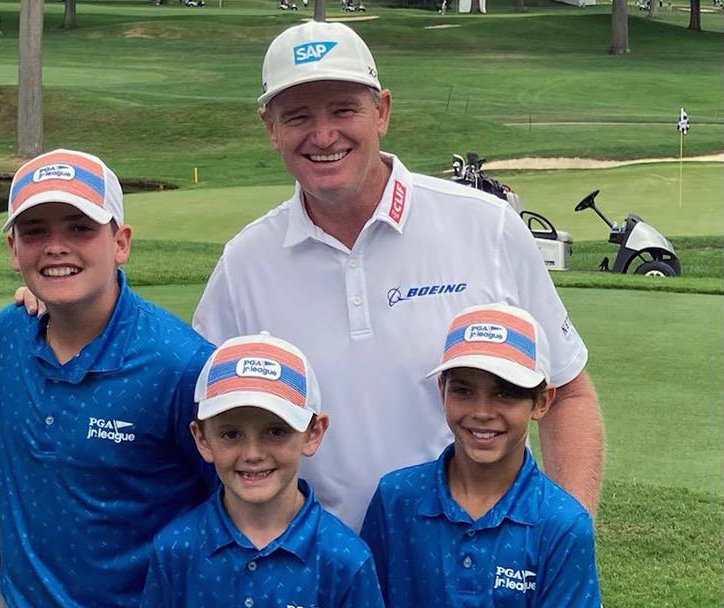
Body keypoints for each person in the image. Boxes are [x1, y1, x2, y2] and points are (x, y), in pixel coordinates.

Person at [192, 20, 603, 532]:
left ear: (381, 110)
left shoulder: (486, 226)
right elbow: (202, 422)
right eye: (298, 116)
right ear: (270, 128)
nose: (323, 135)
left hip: (468, 564)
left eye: (344, 109)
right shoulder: (244, 263)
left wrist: (569, 537)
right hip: (318, 571)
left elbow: (568, 392)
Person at [0, 149, 215, 608]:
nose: (56, 246)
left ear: (121, 242)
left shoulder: (181, 365)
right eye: (34, 231)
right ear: (14, 249)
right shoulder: (6, 335)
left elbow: (225, 507)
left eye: (80, 227)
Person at [360, 303, 602, 607]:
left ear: (542, 401)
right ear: (442, 390)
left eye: (505, 393)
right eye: (463, 391)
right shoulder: (395, 498)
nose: (482, 412)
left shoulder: (562, 523)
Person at [140, 332, 385, 608]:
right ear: (202, 439)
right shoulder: (175, 549)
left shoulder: (345, 558)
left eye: (276, 431)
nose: (253, 454)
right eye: (231, 434)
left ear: (313, 433)